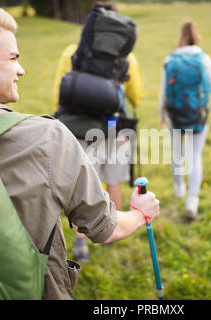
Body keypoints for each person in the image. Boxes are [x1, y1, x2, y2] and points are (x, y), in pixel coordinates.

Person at [0, 3, 159, 300]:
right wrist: (141, 213)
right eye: (13, 58)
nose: (21, 70)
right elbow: (106, 228)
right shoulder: (46, 137)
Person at [52, 1, 145, 263]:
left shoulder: (73, 52)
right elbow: (135, 93)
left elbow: (61, 89)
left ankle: (81, 243)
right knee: (113, 179)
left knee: (83, 184)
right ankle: (111, 231)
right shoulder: (127, 56)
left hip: (79, 128)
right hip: (115, 129)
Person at [158, 20, 211, 222]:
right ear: (197, 36)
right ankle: (191, 203)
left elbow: (163, 93)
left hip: (175, 114)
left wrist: (162, 116)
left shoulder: (169, 59)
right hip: (197, 114)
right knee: (195, 156)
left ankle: (179, 188)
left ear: (181, 36)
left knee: (178, 152)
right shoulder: (204, 58)